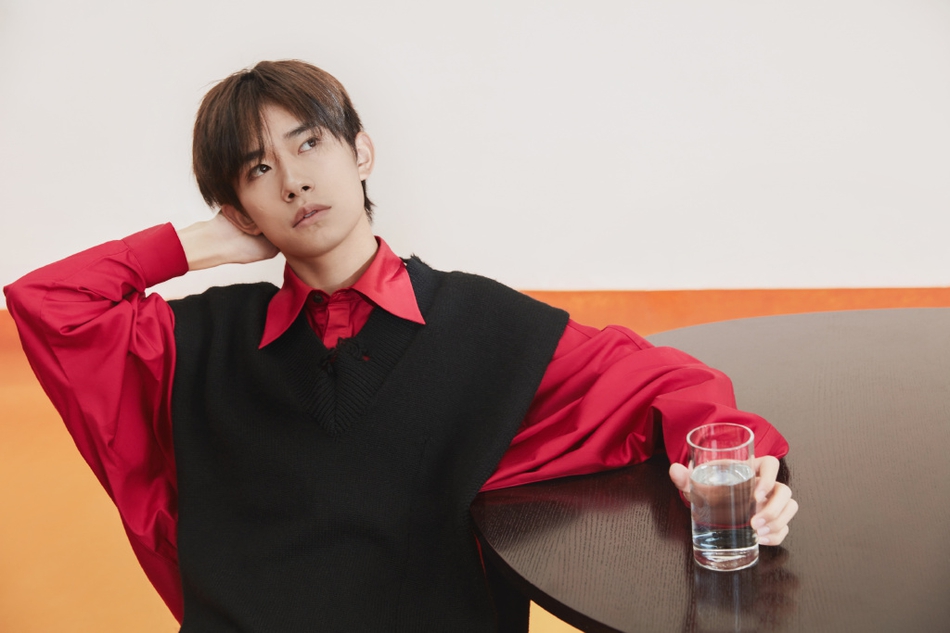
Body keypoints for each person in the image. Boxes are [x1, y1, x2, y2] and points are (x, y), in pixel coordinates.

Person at [4, 60, 798, 632]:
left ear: (360, 153)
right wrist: (195, 244)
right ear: (239, 209)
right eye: (258, 169)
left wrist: (741, 474)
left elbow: (669, 384)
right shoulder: (194, 343)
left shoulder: (488, 330)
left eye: (309, 144)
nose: (292, 181)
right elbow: (47, 304)